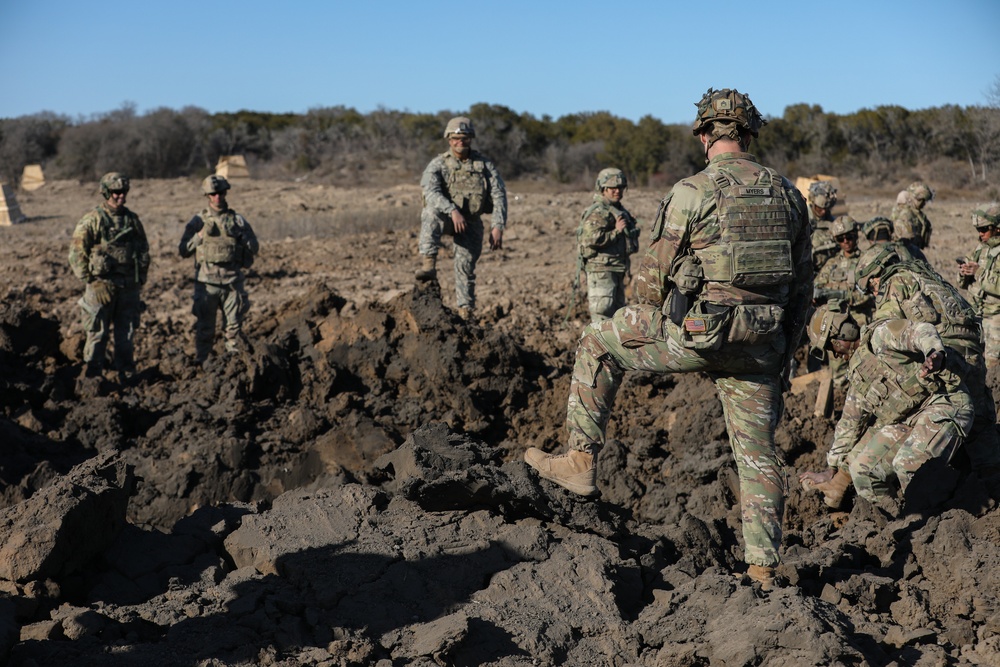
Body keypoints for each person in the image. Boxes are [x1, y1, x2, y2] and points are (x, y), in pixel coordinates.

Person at [524, 88, 812, 589]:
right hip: (763, 343)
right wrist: (783, 352)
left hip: (698, 335)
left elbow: (652, 278)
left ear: (705, 136)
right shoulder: (788, 194)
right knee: (759, 458)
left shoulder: (692, 191)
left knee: (597, 340)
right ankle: (763, 568)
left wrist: (654, 322)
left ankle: (579, 460)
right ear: (749, 134)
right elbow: (804, 286)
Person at [800, 311, 973, 508]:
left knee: (907, 464)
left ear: (843, 335)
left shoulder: (880, 336)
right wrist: (832, 468)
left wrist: (934, 353)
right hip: (908, 419)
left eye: (831, 346)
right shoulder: (858, 374)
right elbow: (849, 423)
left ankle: (933, 521)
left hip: (944, 402)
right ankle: (894, 524)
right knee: (862, 470)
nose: (835, 354)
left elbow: (922, 330)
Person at [855, 244, 1000, 474]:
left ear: (876, 276)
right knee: (979, 427)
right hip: (971, 353)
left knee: (940, 423)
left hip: (945, 358)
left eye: (869, 287)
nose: (873, 293)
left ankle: (945, 488)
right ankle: (989, 480)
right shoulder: (926, 274)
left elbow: (890, 330)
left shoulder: (894, 282)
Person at [415, 116, 508, 320]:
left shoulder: (484, 165)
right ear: (449, 139)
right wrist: (452, 210)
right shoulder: (439, 164)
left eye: (465, 138)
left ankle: (466, 313)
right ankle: (428, 265)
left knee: (465, 268)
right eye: (456, 138)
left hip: (471, 222)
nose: (460, 142)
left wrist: (497, 226)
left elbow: (499, 194)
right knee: (430, 212)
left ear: (471, 139)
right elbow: (430, 191)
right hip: (448, 218)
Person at [68, 172, 150, 383]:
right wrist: (91, 280)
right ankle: (92, 377)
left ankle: (126, 374)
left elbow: (142, 249)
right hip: (100, 288)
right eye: (115, 193)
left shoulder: (132, 220)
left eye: (123, 192)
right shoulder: (92, 220)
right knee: (97, 333)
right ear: (106, 193)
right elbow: (77, 253)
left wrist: (140, 278)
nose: (120, 196)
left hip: (128, 287)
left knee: (127, 334)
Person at [179, 175, 259, 364]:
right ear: (207, 195)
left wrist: (241, 237)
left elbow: (254, 247)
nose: (217, 197)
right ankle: (202, 366)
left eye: (221, 193)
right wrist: (200, 236)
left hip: (232, 284)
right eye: (213, 194)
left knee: (234, 330)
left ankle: (234, 367)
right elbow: (183, 250)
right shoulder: (198, 221)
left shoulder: (237, 220)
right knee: (205, 330)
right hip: (207, 285)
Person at [810, 215, 873, 388]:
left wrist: (845, 295)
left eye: (849, 237)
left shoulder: (866, 262)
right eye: (841, 238)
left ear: (856, 235)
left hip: (861, 323)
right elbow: (818, 287)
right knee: (838, 370)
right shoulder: (832, 264)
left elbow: (871, 293)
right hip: (838, 328)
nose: (846, 241)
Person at [577, 168, 640, 322]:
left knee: (617, 317)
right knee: (602, 314)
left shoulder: (618, 210)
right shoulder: (598, 212)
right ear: (603, 189)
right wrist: (616, 232)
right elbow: (590, 239)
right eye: (612, 188)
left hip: (617, 268)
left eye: (620, 188)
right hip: (602, 270)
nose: (617, 191)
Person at [958, 202, 1000, 367]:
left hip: (995, 318)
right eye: (978, 230)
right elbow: (963, 284)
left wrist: (979, 272)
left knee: (992, 366)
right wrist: (963, 273)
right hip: (975, 315)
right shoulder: (980, 249)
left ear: (997, 227)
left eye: (984, 229)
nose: (980, 234)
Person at [891, 181, 934, 251]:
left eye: (924, 201)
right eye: (920, 200)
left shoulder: (918, 214)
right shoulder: (906, 214)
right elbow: (906, 240)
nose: (923, 203)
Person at [807, 181, 838, 272]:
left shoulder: (832, 222)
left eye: (826, 209)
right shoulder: (802, 219)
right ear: (813, 202)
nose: (823, 212)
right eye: (819, 208)